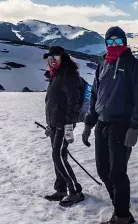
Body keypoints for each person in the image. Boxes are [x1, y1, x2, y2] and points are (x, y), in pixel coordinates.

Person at [82, 26, 138, 224]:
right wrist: (88, 123)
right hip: (102, 125)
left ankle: (120, 222)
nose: (114, 45)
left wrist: (135, 127)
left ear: (124, 41)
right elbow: (95, 96)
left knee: (117, 173)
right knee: (104, 171)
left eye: (117, 41)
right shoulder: (102, 65)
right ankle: (122, 211)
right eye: (110, 42)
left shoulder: (134, 66)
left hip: (122, 126)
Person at [43, 46, 85, 207]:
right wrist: (49, 124)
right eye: (50, 58)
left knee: (59, 155)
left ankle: (75, 191)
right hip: (54, 123)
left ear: (63, 58)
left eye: (56, 56)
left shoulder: (68, 75)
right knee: (57, 156)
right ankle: (60, 189)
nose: (52, 59)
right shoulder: (56, 75)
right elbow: (52, 103)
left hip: (63, 124)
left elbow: (73, 102)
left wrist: (68, 125)